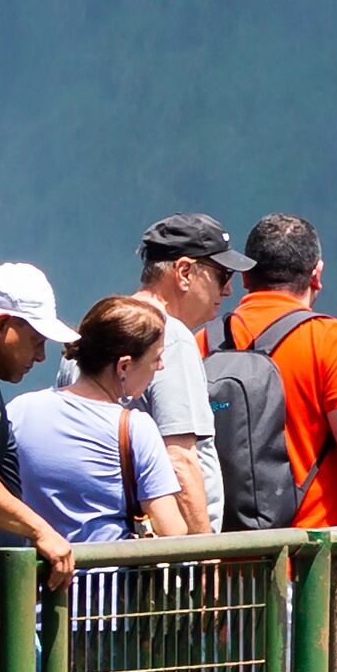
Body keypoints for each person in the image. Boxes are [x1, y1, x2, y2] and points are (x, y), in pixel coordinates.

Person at [222, 219, 337, 530]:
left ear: (245, 276)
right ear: (316, 275)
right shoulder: (327, 339)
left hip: (225, 566)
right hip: (310, 563)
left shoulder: (207, 343)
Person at [15, 295, 193, 547]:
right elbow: (171, 529)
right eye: (156, 358)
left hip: (33, 583)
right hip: (108, 583)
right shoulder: (135, 428)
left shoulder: (20, 410)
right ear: (124, 366)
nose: (161, 366)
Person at [132, 214, 244, 536]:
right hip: (164, 559)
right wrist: (203, 554)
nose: (229, 290)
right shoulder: (171, 337)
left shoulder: (97, 330)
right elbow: (179, 459)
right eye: (223, 275)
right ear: (184, 272)